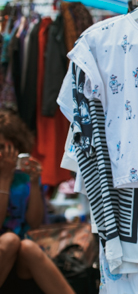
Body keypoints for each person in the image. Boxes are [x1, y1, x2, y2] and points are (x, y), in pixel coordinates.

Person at [0, 110, 74, 294]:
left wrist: (34, 184)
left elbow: (35, 223)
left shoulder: (24, 177)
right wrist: (5, 180)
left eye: (5, 148)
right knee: (10, 240)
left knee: (27, 246)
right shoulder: (7, 177)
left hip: (22, 259)